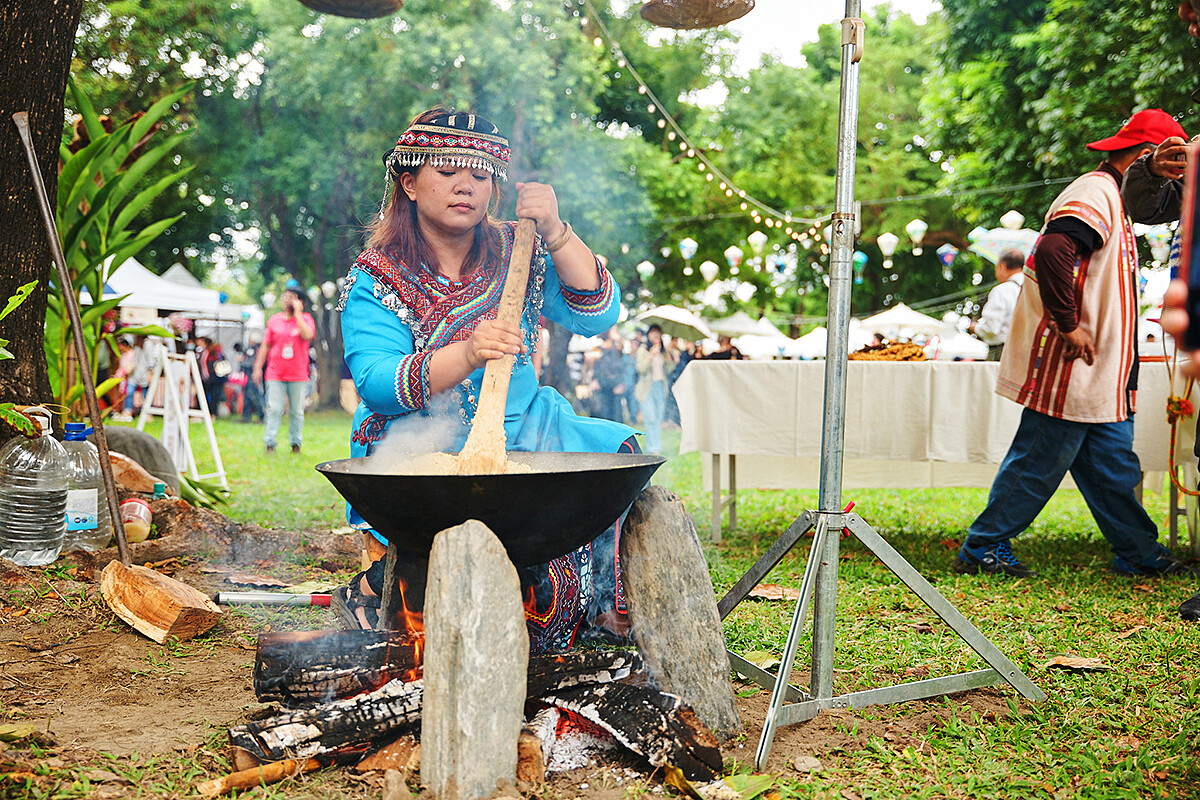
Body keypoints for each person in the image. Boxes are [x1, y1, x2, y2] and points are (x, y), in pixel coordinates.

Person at [333, 108, 639, 652]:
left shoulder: (518, 248)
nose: (465, 186)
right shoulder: (375, 275)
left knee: (615, 457)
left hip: (528, 432)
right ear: (408, 182)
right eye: (447, 169)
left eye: (479, 174)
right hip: (421, 450)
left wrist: (557, 232)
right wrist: (469, 353)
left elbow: (597, 314)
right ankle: (394, 598)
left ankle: (600, 620)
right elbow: (378, 383)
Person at [955, 109, 1193, 579]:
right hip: (1072, 360)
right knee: (1040, 458)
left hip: (1098, 366)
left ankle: (1139, 553)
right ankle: (984, 546)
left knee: (1112, 467)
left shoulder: (1111, 198)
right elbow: (1052, 251)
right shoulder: (1095, 191)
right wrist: (1068, 324)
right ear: (1148, 157)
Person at [254, 285, 315, 453]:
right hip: (275, 372)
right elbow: (265, 346)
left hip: (298, 374)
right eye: (285, 296)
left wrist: (297, 314)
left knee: (296, 410)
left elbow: (308, 335)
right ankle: (270, 443)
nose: (286, 299)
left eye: (291, 297)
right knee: (274, 408)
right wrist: (258, 368)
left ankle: (295, 442)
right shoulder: (274, 320)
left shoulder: (306, 319)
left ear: (300, 301)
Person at [971, 249, 1026, 361]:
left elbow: (991, 328)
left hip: (1002, 351)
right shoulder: (1032, 288)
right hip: (1025, 350)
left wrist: (975, 327)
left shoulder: (1002, 290)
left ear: (1002, 266)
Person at [635, 324, 677, 455]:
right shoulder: (643, 350)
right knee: (650, 418)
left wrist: (670, 360)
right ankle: (653, 448)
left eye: (658, 333)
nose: (656, 335)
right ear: (648, 335)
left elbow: (668, 371)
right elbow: (640, 368)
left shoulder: (663, 351)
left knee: (658, 419)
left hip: (660, 387)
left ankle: (655, 446)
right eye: (653, 332)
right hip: (647, 388)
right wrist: (651, 355)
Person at [591, 327, 629, 423]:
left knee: (616, 419)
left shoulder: (617, 349)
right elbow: (593, 367)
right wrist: (594, 380)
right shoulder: (597, 349)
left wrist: (622, 384)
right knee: (602, 418)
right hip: (601, 387)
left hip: (615, 387)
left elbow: (624, 368)